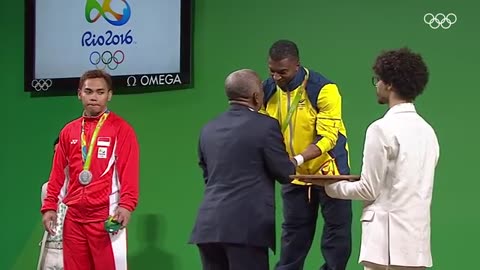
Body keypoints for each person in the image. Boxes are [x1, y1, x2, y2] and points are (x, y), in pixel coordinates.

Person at [324, 47, 439, 270]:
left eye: (378, 79)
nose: (376, 84)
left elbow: (368, 189)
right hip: (417, 245)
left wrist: (331, 187)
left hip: (386, 246)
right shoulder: (428, 132)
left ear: (390, 84)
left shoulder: (381, 129)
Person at [189, 69, 297, 270]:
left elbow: (207, 174)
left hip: (208, 227)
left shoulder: (208, 129)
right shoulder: (266, 126)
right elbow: (285, 173)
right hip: (246, 229)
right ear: (256, 96)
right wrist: (298, 160)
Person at [262, 39, 352, 270]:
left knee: (336, 233)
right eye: (272, 71)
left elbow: (328, 138)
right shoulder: (267, 90)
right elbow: (261, 130)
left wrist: (296, 160)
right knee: (293, 232)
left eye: (283, 72)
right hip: (295, 175)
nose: (277, 77)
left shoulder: (323, 89)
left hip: (329, 171)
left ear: (297, 65)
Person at [41, 69, 140, 270]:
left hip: (106, 217)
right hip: (74, 219)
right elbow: (58, 171)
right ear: (79, 94)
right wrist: (50, 206)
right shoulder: (69, 131)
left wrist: (127, 205)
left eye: (100, 92)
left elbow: (128, 170)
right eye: (88, 91)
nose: (94, 97)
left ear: (109, 95)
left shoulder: (121, 129)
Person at [37, 137, 68, 270]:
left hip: (70, 252)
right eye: (56, 153)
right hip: (49, 250)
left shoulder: (83, 188)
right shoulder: (46, 188)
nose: (59, 157)